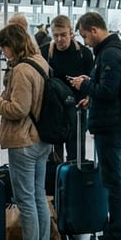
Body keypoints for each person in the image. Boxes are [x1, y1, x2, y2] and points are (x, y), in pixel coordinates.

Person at [0, 23, 52, 240]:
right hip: (42, 138)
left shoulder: (21, 69)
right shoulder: (40, 62)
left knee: (26, 200)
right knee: (39, 196)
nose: (3, 52)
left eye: (5, 47)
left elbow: (18, 109)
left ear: (14, 45)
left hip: (23, 141)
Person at [68, 12, 121, 240]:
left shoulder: (110, 54)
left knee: (113, 180)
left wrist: (84, 85)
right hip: (117, 121)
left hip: (111, 126)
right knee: (120, 177)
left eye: (85, 36)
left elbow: (108, 90)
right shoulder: (116, 49)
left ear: (94, 29)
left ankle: (116, 235)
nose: (85, 41)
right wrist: (91, 94)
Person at [40, 14, 94, 162]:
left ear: (71, 32)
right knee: (54, 157)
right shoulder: (45, 53)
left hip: (77, 110)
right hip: (54, 111)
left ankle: (75, 182)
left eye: (63, 35)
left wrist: (88, 98)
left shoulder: (84, 54)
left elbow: (93, 80)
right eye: (55, 35)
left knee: (76, 155)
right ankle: (56, 182)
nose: (59, 39)